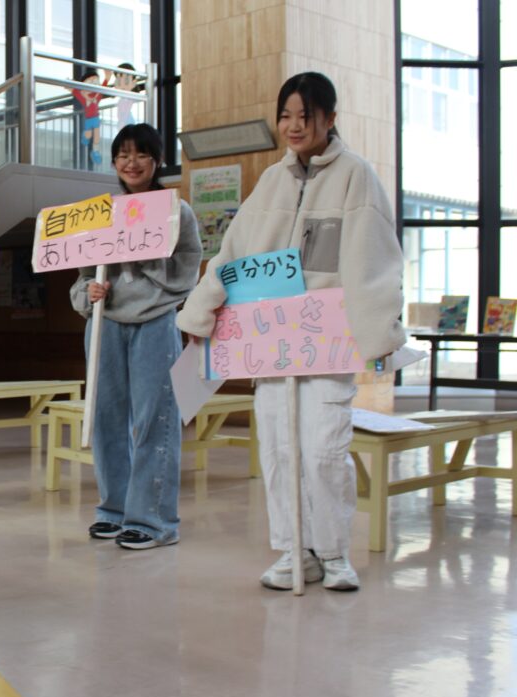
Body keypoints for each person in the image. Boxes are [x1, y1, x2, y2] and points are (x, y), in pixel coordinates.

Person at [177, 72, 405, 592]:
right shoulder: (271, 182)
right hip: (269, 340)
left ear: (330, 118)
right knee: (279, 449)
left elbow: (374, 262)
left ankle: (333, 552)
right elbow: (233, 254)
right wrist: (200, 314)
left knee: (324, 449)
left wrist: (378, 338)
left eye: (306, 115)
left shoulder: (356, 176)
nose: (295, 125)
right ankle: (292, 550)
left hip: (326, 339)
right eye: (286, 115)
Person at [70, 123, 202, 550]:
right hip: (104, 322)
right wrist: (88, 294)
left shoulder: (176, 210)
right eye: (123, 154)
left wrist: (145, 260)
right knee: (105, 418)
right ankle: (113, 510)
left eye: (142, 154)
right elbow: (82, 275)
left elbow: (188, 266)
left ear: (157, 161)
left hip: (155, 321)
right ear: (113, 162)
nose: (132, 162)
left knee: (154, 419)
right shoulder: (99, 212)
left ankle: (153, 520)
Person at [73, 70, 105, 167]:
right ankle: (84, 137)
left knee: (96, 136)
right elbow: (76, 92)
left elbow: (103, 88)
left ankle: (95, 152)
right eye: (90, 83)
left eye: (96, 83)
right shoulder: (83, 98)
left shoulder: (97, 97)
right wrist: (71, 85)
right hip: (89, 119)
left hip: (96, 119)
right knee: (88, 134)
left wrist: (107, 78)